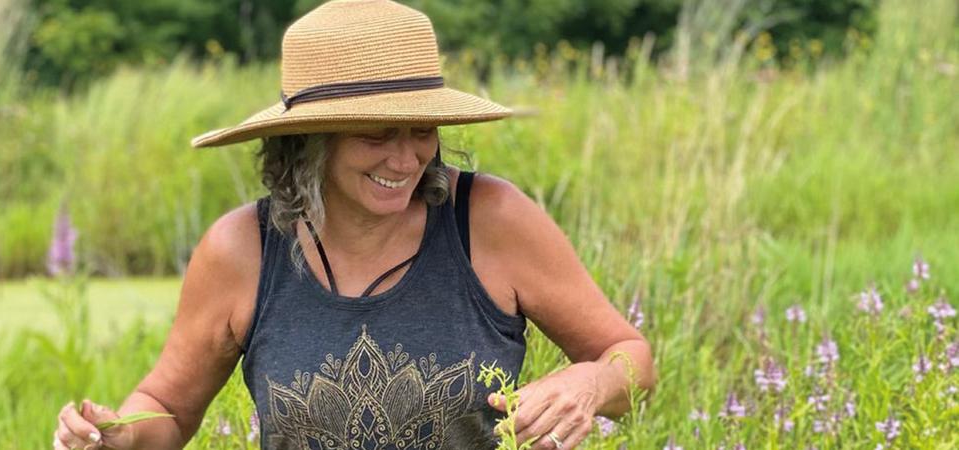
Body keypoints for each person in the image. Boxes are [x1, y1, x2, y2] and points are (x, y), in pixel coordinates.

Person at [52, 1, 655, 449]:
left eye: (421, 130)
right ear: (308, 142)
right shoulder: (242, 251)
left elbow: (630, 357)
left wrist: (590, 386)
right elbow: (167, 407)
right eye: (375, 134)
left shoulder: (491, 222)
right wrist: (112, 436)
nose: (405, 159)